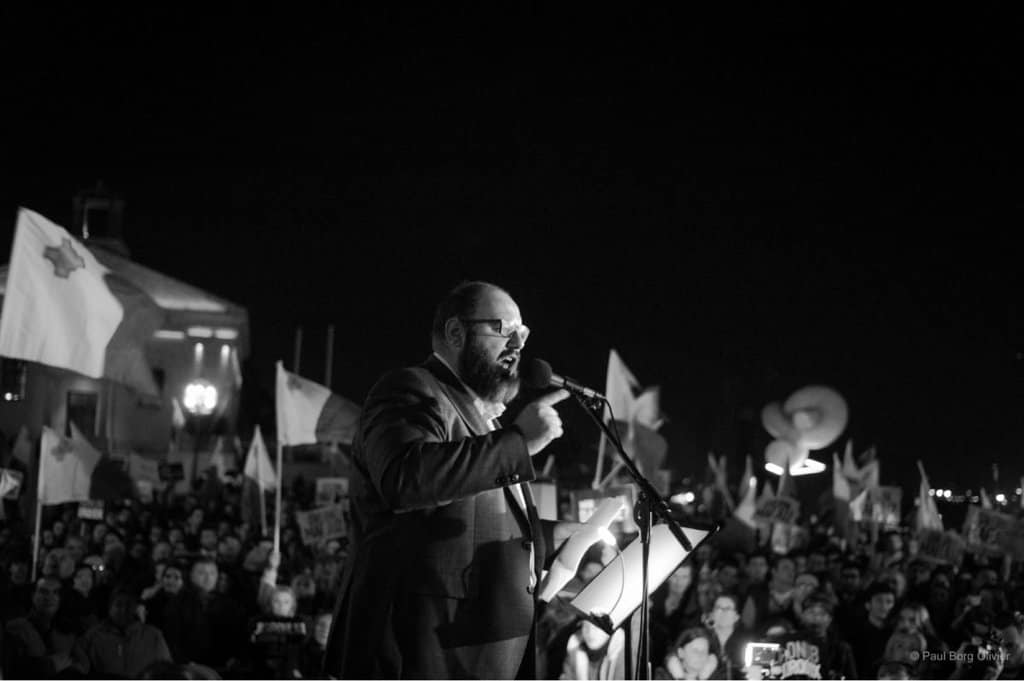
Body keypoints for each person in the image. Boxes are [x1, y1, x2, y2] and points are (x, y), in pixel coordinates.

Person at [325, 280, 576, 679]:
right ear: (456, 332)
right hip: (415, 652)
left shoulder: (487, 421)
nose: (517, 345)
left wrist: (555, 534)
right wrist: (518, 442)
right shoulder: (410, 389)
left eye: (523, 333)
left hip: (474, 653)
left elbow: (472, 521)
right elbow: (405, 479)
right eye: (503, 329)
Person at [72, 587, 173, 677]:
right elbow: (79, 669)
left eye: (128, 605)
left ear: (135, 608)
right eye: (118, 605)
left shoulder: (153, 635)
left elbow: (167, 671)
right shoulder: (93, 636)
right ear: (110, 607)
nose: (123, 610)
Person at [559, 619, 626, 680]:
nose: (590, 632)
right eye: (586, 626)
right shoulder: (575, 653)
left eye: (597, 627)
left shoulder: (623, 654)